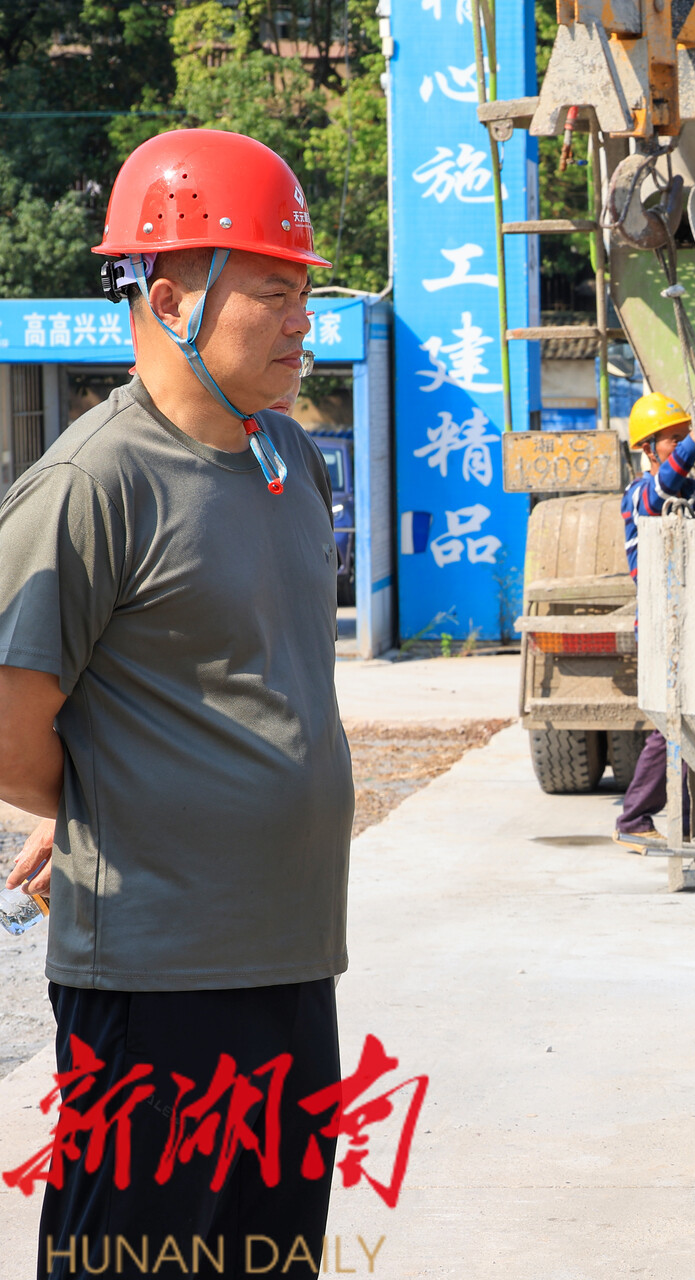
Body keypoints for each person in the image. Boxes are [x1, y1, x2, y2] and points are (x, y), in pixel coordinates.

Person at [0, 129, 348, 1276]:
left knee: (267, 1255)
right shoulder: (93, 482)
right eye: (273, 291)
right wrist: (104, 802)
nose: (302, 319)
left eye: (304, 292)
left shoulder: (288, 458)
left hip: (289, 957)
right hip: (155, 982)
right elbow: (9, 720)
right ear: (169, 299)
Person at [613, 391, 695, 848]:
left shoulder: (691, 492)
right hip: (660, 630)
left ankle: (690, 823)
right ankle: (634, 819)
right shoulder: (640, 494)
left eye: (681, 436)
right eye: (672, 439)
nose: (684, 444)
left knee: (692, 725)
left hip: (692, 625)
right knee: (669, 726)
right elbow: (661, 491)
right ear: (649, 449)